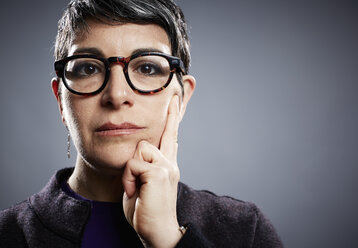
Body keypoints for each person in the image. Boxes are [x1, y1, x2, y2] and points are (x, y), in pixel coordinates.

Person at [0, 0, 283, 247]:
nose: (116, 94)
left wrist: (170, 241)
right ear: (61, 100)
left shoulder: (245, 230)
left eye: (147, 67)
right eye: (88, 68)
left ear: (181, 98)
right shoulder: (8, 234)